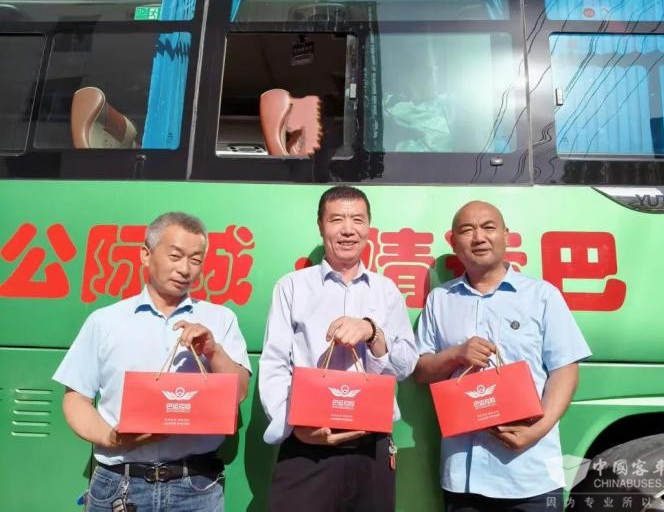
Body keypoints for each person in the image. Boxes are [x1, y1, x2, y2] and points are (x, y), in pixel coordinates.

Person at [53, 212, 251, 512]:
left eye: (195, 260)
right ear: (146, 255)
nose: (185, 269)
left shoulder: (220, 319)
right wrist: (111, 437)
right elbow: (76, 400)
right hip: (119, 484)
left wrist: (213, 351)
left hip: (195, 486)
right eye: (175, 256)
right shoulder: (105, 321)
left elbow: (239, 392)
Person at [414, 200, 591, 512]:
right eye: (467, 230)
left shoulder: (542, 295)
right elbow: (421, 372)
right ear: (453, 243)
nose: (479, 237)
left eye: (488, 227)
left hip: (530, 472)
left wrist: (536, 431)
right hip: (463, 478)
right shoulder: (440, 299)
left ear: (506, 235)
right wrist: (456, 355)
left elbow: (565, 371)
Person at [259, 185, 418, 512]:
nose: (348, 230)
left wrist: (373, 332)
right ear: (321, 226)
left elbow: (406, 366)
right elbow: (275, 363)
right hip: (307, 445)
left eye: (357, 220)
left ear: (369, 227)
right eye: (337, 220)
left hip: (371, 445)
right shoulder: (292, 286)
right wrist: (296, 427)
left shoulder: (386, 290)